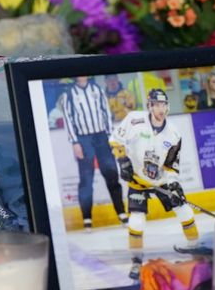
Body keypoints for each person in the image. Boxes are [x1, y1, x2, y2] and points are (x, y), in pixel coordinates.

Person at [110, 89, 200, 279]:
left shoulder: (174, 134)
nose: (161, 108)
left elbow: (171, 166)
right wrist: (122, 160)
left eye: (164, 105)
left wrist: (173, 183)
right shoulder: (134, 119)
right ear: (149, 106)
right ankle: (136, 262)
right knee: (136, 220)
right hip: (137, 180)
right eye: (156, 105)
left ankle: (196, 251)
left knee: (185, 210)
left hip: (161, 181)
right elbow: (115, 140)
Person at [63, 76, 128, 231]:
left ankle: (121, 213)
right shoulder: (69, 94)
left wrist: (111, 137)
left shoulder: (97, 90)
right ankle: (87, 218)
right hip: (83, 140)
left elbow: (106, 112)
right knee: (86, 179)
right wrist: (75, 142)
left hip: (101, 137)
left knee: (111, 173)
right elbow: (68, 119)